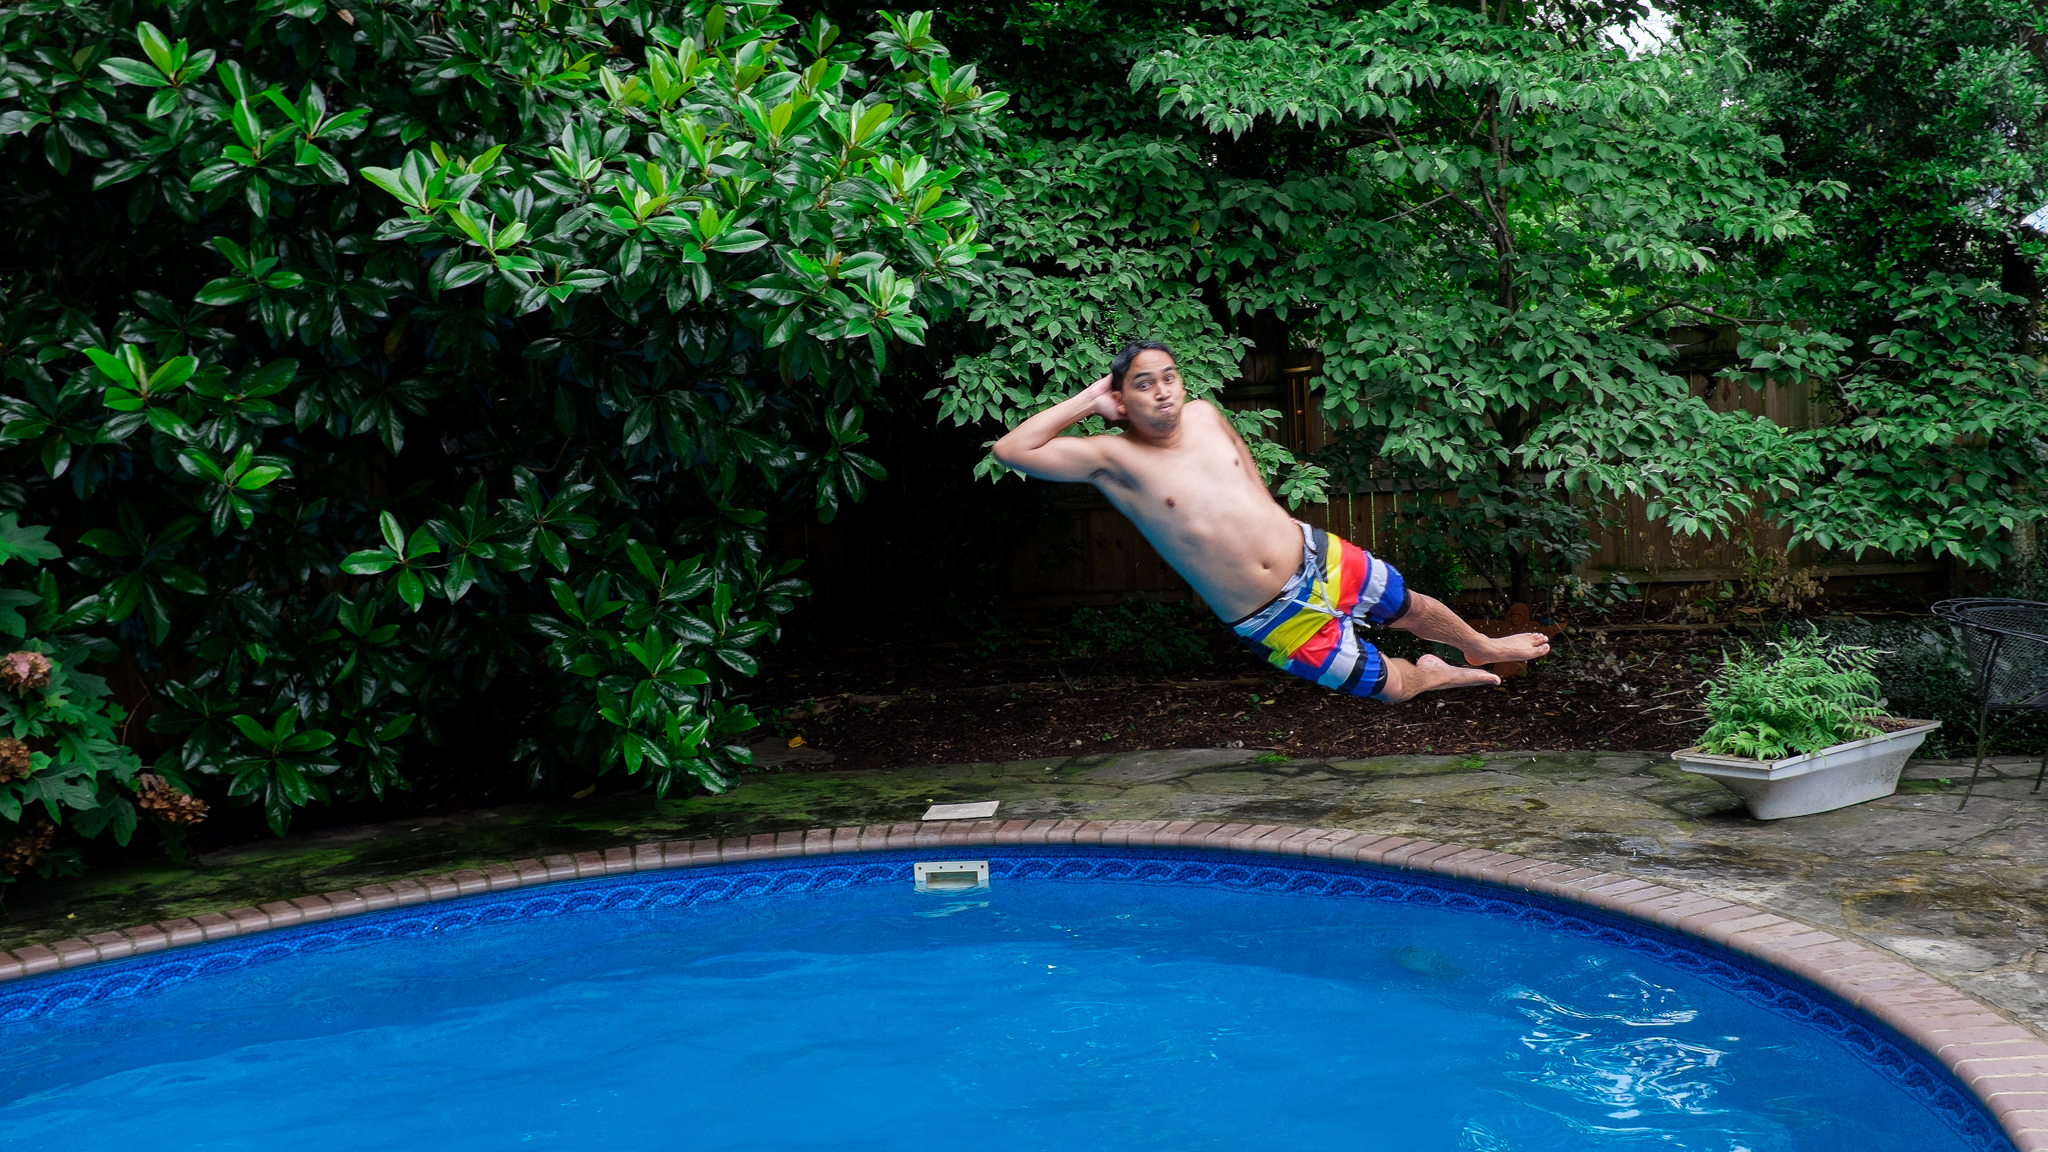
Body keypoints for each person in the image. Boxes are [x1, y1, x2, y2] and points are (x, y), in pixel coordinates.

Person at [990, 340, 1551, 702]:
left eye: (1169, 377)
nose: (1162, 391)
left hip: (1313, 554)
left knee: (1414, 606)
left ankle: (1480, 644)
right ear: (1121, 398)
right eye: (1143, 383)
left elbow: (1247, 476)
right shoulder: (1112, 461)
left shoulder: (1207, 415)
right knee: (1388, 687)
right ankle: (1435, 673)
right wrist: (1090, 400)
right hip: (1269, 616)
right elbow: (1013, 449)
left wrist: (1282, 525)